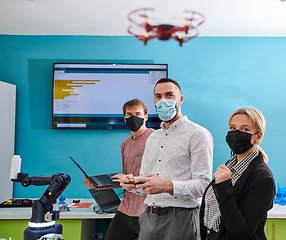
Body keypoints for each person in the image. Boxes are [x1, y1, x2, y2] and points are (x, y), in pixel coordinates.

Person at [116, 78, 214, 240]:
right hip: (148, 218)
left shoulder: (198, 134)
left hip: (180, 218)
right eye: (158, 96)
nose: (163, 101)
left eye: (169, 95)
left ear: (180, 99)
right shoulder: (153, 137)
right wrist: (132, 183)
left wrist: (167, 186)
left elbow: (204, 185)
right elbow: (146, 183)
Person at [200, 107, 275, 240]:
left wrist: (223, 186)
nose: (236, 134)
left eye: (245, 129)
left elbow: (242, 232)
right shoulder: (229, 166)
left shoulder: (263, 178)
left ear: (258, 137)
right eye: (232, 128)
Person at [84, 98, 155, 240]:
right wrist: (100, 186)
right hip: (125, 211)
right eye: (129, 114)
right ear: (124, 118)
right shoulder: (125, 144)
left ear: (146, 117)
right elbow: (126, 179)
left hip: (147, 212)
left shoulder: (155, 139)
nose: (133, 117)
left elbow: (156, 177)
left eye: (138, 114)